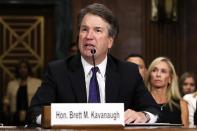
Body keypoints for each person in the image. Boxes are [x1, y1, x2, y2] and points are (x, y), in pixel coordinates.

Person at [27, 3, 160, 126]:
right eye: (84, 29)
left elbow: (153, 109)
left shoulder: (128, 72)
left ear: (110, 41)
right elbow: (35, 111)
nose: (88, 36)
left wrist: (143, 116)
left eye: (97, 30)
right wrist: (56, 119)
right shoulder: (58, 71)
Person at [145, 57, 189, 127]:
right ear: (149, 75)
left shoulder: (181, 104)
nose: (158, 75)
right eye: (154, 70)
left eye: (163, 71)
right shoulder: (140, 102)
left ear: (170, 79)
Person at [3, 59, 42, 126]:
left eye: (25, 67)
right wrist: (6, 112)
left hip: (32, 115)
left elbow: (41, 98)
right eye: (20, 68)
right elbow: (6, 100)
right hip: (15, 116)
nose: (23, 70)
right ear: (17, 70)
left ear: (28, 69)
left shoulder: (37, 82)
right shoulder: (11, 84)